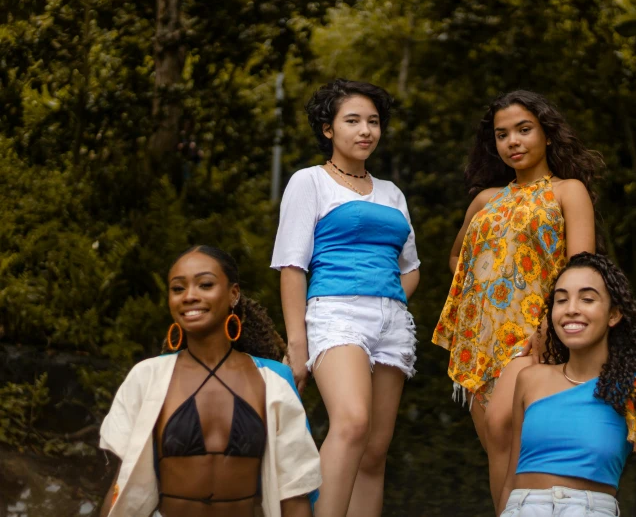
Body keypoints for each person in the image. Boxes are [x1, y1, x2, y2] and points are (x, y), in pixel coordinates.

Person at [432, 89, 601, 510]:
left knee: (511, 434)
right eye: (502, 134)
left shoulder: (568, 191)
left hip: (533, 336)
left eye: (524, 130)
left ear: (546, 133)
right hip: (478, 341)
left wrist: (548, 325)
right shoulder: (486, 200)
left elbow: (581, 266)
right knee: (498, 449)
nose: (513, 141)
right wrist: (480, 290)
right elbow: (457, 256)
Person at [271, 79, 420, 517]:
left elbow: (410, 268)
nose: (365, 131)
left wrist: (390, 297)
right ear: (327, 129)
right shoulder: (309, 182)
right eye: (352, 120)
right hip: (336, 313)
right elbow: (292, 266)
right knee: (352, 423)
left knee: (374, 452)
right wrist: (297, 344)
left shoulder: (392, 192)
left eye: (373, 122)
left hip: (392, 321)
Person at [98, 246, 321, 517]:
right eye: (178, 289)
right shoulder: (146, 379)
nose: (190, 296)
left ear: (233, 294)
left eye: (205, 284)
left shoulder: (272, 384)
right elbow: (122, 484)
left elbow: (294, 493)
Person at [498, 252, 636, 517]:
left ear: (614, 314)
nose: (571, 308)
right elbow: (512, 479)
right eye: (561, 300)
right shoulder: (529, 379)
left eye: (587, 299)